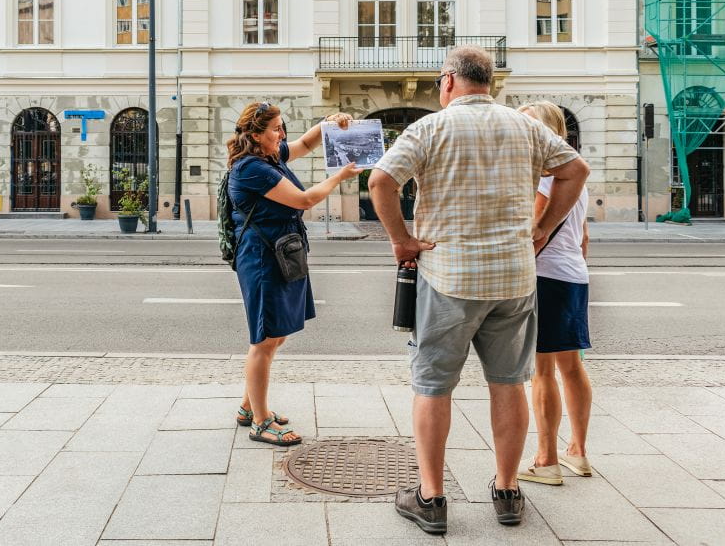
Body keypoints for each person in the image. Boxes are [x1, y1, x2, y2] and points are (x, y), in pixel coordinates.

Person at [368, 46, 590, 534]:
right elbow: (575, 171)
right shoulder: (526, 126)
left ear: (448, 81)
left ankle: (431, 498)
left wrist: (402, 240)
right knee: (508, 381)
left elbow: (381, 180)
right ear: (492, 82)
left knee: (433, 385)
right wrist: (543, 230)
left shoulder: (429, 127)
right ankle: (508, 491)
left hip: (448, 277)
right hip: (513, 278)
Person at [227, 102, 360, 446]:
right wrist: (339, 177)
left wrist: (328, 124)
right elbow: (302, 201)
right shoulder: (252, 168)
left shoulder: (270, 156)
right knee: (264, 339)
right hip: (261, 257)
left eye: (282, 128)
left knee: (277, 334)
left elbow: (304, 145)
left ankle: (247, 406)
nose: (282, 135)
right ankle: (259, 422)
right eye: (275, 130)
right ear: (256, 135)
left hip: (281, 252)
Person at [516, 101, 593, 485]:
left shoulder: (546, 175)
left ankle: (546, 459)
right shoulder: (574, 173)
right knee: (572, 367)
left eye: (528, 125)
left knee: (541, 371)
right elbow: (583, 238)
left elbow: (536, 231)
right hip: (574, 276)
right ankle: (577, 451)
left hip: (544, 277)